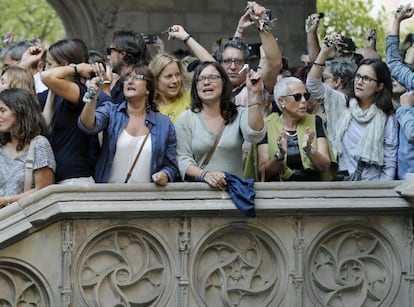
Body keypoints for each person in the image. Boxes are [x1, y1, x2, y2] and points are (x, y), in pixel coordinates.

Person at [307, 34, 398, 181]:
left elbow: (390, 161)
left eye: (366, 79)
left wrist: (382, 193)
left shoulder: (387, 117)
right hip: (343, 183)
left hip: (373, 187)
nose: (359, 82)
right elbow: (312, 84)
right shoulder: (343, 104)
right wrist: (324, 51)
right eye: (358, 76)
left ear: (380, 86)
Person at [78, 65, 177, 185]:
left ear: (148, 89)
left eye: (137, 78)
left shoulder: (164, 124)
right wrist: (93, 94)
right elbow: (87, 125)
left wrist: (164, 175)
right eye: (127, 77)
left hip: (148, 199)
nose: (130, 81)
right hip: (108, 196)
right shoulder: (111, 112)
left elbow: (171, 166)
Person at [175, 61, 266, 189]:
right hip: (198, 195)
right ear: (195, 86)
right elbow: (182, 159)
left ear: (224, 83)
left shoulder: (239, 114)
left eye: (213, 78)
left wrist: (253, 96)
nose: (206, 82)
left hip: (234, 194)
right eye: (201, 79)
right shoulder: (186, 118)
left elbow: (255, 136)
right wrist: (206, 175)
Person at [252, 77, 336, 181]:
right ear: (282, 101)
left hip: (312, 189)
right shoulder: (267, 125)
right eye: (297, 97)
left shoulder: (315, 121)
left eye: (306, 96)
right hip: (279, 191)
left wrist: (309, 149)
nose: (304, 101)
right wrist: (280, 155)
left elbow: (325, 166)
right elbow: (263, 172)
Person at [40, 38, 99, 184]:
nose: (45, 68)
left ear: (64, 65)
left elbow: (46, 76)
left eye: (50, 63)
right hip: (59, 177)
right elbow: (45, 126)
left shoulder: (78, 90)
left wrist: (76, 68)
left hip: (75, 179)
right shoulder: (56, 94)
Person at [0, 88, 55, 207]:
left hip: (25, 221)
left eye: (3, 110)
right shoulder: (1, 147)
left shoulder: (39, 144)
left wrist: (7, 200)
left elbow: (44, 190)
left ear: (20, 111)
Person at [386, 4, 414, 179]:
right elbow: (393, 63)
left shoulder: (406, 102)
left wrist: (404, 108)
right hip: (406, 178)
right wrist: (397, 21)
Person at [103, 30, 149, 104]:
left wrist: (105, 91)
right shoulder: (119, 82)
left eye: (110, 51)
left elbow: (116, 113)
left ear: (122, 54)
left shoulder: (136, 83)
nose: (108, 56)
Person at [148, 53, 191, 124]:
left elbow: (214, 69)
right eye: (169, 76)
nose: (175, 80)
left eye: (177, 75)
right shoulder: (149, 109)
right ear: (155, 80)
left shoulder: (189, 96)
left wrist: (187, 41)